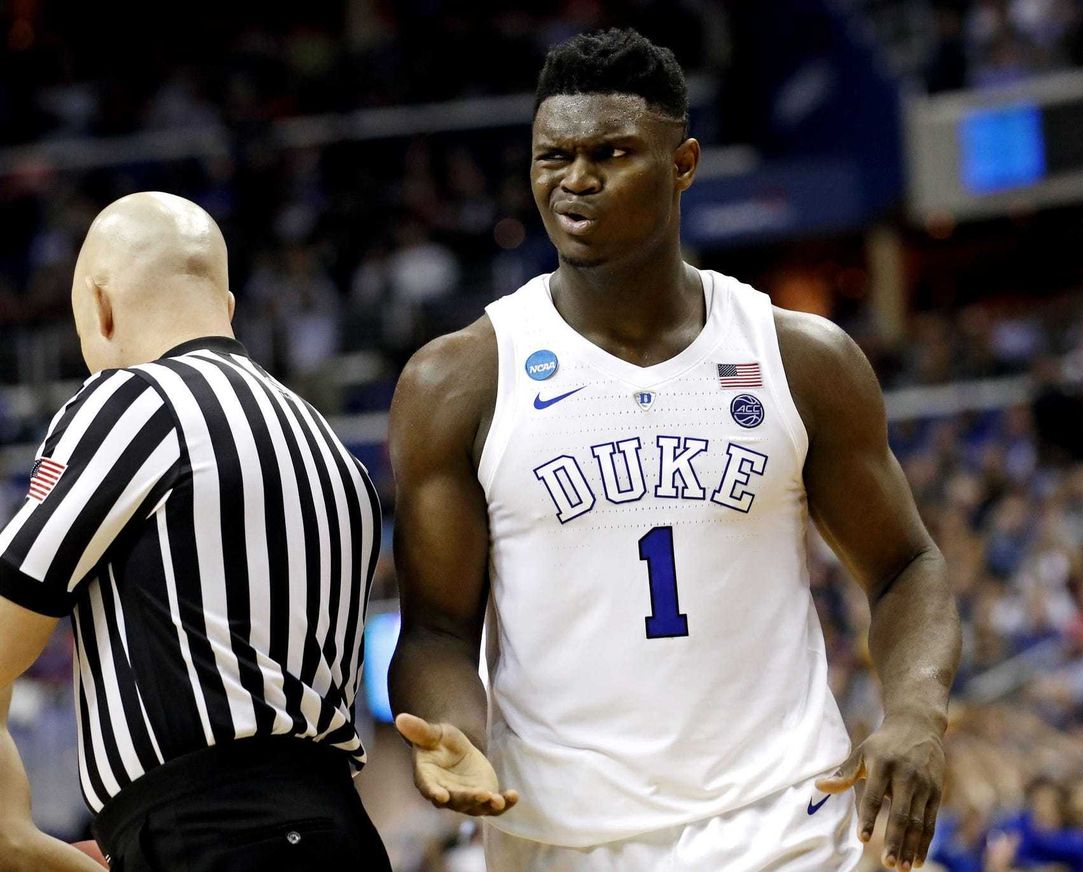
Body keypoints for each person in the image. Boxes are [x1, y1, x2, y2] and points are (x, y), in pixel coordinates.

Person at [388, 28, 960, 872]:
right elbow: (436, 629)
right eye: (553, 157)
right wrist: (455, 734)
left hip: (787, 820)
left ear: (684, 163)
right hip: (562, 838)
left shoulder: (799, 358)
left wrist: (914, 713)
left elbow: (907, 566)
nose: (575, 180)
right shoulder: (459, 380)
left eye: (610, 153)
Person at [0, 192, 389, 871]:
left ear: (101, 305)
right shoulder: (335, 451)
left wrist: (15, 834)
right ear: (228, 308)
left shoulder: (133, 402)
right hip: (342, 830)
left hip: (209, 834)